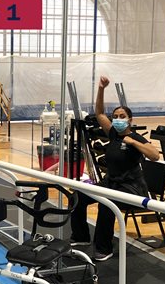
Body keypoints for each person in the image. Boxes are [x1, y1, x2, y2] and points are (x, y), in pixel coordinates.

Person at [69, 76, 160, 261]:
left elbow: (155, 155)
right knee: (77, 195)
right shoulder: (113, 134)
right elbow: (100, 112)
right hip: (111, 183)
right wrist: (101, 89)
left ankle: (104, 248)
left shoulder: (136, 138)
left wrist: (133, 142)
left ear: (130, 120)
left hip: (131, 188)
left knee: (106, 203)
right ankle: (81, 237)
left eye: (122, 117)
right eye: (116, 117)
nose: (117, 119)